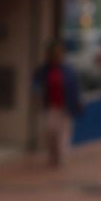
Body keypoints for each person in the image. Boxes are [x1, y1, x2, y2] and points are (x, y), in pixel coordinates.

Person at [33, 40, 83, 168]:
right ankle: (53, 155)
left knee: (64, 135)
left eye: (60, 53)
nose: (57, 56)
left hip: (66, 108)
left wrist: (77, 103)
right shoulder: (44, 70)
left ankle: (62, 158)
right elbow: (36, 83)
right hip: (51, 107)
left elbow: (75, 88)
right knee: (50, 132)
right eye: (54, 53)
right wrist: (36, 90)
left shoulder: (69, 70)